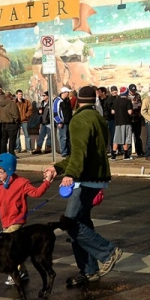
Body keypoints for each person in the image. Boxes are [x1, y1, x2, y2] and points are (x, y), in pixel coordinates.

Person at [44, 85, 123, 288]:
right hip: (96, 177)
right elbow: (82, 153)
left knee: (70, 223)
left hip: (85, 178)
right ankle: (89, 270)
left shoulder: (79, 119)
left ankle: (107, 252)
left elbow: (78, 153)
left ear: (76, 100)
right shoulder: (97, 117)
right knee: (82, 224)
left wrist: (70, 173)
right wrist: (57, 168)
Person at [0, 152, 53, 284]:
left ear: (8, 170)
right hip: (5, 222)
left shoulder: (21, 183)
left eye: (0, 172)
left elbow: (36, 193)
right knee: (14, 248)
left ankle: (15, 272)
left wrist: (47, 181)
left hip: (16, 221)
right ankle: (22, 272)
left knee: (9, 248)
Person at [111, 85, 133, 161]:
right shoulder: (128, 101)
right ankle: (126, 155)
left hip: (117, 122)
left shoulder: (116, 101)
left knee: (116, 139)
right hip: (126, 121)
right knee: (126, 138)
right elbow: (130, 112)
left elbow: (112, 111)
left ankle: (113, 155)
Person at [53, 86, 73, 157]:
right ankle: (64, 152)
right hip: (62, 123)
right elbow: (55, 112)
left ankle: (69, 151)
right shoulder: (57, 101)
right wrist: (59, 121)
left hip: (68, 122)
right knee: (63, 137)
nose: (68, 93)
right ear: (63, 93)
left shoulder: (67, 101)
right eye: (67, 92)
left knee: (68, 137)